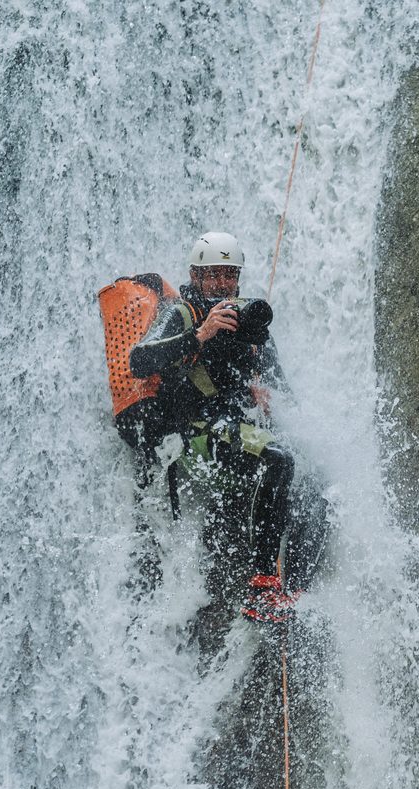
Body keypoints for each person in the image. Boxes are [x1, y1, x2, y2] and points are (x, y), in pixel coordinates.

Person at [118, 231, 316, 622]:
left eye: (229, 274)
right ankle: (262, 587)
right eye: (213, 275)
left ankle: (293, 586)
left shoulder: (251, 324)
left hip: (238, 436)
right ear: (195, 275)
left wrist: (268, 395)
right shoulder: (182, 313)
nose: (222, 283)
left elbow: (286, 393)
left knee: (317, 481)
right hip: (197, 440)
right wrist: (201, 334)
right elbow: (139, 361)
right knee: (278, 462)